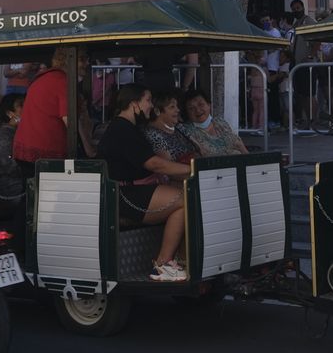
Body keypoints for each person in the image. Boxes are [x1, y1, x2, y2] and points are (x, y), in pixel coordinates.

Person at [97, 85, 191, 282]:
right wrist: (191, 170)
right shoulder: (122, 129)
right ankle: (163, 264)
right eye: (147, 100)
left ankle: (177, 261)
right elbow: (155, 164)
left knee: (184, 201)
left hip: (134, 189)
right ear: (134, 104)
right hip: (125, 194)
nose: (150, 106)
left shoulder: (129, 128)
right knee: (184, 200)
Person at [13, 48, 92, 165]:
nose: (87, 63)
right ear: (67, 60)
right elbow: (71, 122)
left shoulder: (45, 78)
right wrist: (88, 150)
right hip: (45, 155)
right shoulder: (63, 82)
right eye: (82, 59)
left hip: (27, 151)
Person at [180, 88, 250, 158]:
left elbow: (241, 147)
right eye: (191, 108)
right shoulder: (187, 131)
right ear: (187, 113)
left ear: (208, 105)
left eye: (201, 104)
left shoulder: (220, 122)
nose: (198, 110)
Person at [0, 93, 25, 208]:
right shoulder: (4, 136)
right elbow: (9, 166)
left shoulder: (19, 132)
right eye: (21, 105)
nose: (27, 108)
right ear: (10, 113)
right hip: (12, 193)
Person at [144, 88, 200, 164]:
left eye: (177, 106)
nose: (178, 110)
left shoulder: (179, 127)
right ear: (157, 111)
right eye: (172, 107)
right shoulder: (151, 134)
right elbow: (167, 165)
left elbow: (200, 149)